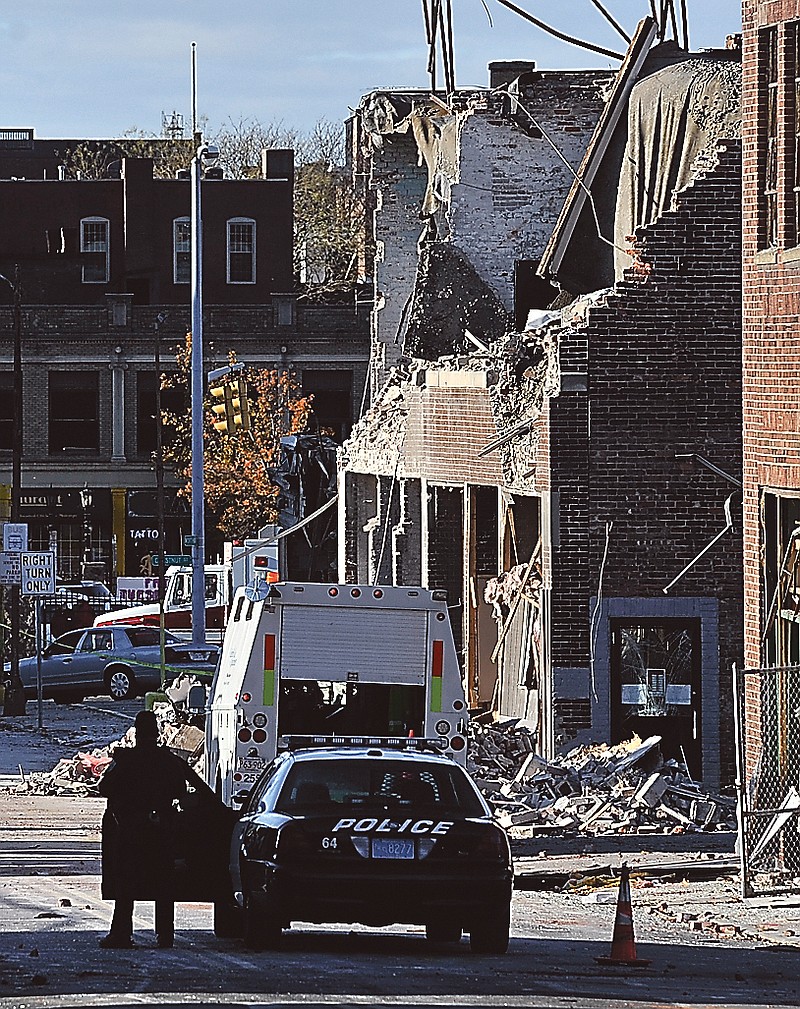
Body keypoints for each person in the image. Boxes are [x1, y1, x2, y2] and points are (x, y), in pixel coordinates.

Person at [98, 710, 189, 949]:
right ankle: (165, 935)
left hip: (130, 832)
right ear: (157, 733)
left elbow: (103, 786)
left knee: (125, 884)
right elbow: (181, 792)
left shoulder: (127, 760)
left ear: (138, 733)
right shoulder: (168, 761)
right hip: (161, 832)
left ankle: (121, 934)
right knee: (164, 884)